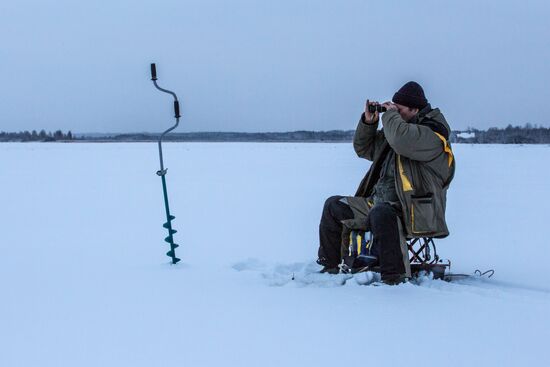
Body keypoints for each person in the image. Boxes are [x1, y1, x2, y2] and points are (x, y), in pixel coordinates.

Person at [316, 81, 455, 284]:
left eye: (399, 109)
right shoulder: (398, 130)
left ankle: (394, 277)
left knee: (382, 213)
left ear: (415, 109)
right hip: (378, 203)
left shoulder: (432, 135)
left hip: (415, 210)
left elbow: (401, 140)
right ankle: (331, 268)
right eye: (393, 108)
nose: (394, 112)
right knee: (334, 206)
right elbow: (363, 149)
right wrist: (369, 122)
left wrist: (390, 116)